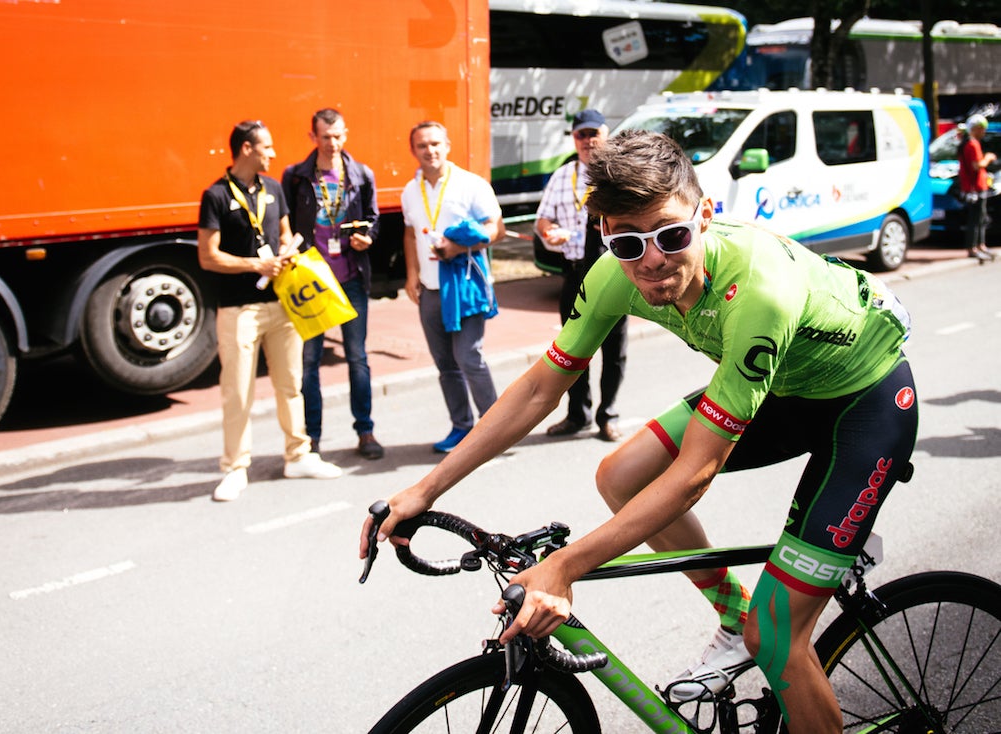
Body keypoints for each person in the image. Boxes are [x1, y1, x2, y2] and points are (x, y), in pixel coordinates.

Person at [363, 130, 918, 730]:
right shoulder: (613, 276)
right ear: (606, 237)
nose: (651, 260)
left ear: (704, 217)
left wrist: (565, 567)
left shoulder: (760, 289)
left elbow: (691, 477)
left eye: (671, 235)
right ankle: (732, 613)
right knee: (620, 474)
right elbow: (538, 389)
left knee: (777, 638)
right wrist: (425, 489)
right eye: (627, 242)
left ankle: (757, 631)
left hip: (865, 404)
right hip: (781, 390)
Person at [197, 120, 342, 503]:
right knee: (238, 389)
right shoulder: (214, 196)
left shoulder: (274, 188)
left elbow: (281, 235)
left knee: (290, 383)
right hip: (238, 308)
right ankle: (234, 467)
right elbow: (207, 257)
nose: (272, 154)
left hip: (281, 304)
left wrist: (285, 252)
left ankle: (298, 455)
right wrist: (255, 265)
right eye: (266, 147)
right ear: (247, 148)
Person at [282, 109, 384, 460]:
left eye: (338, 136)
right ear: (313, 137)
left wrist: (367, 237)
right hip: (313, 282)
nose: (333, 143)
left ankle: (365, 431)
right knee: (309, 362)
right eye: (326, 137)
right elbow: (288, 224)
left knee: (357, 358)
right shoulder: (296, 176)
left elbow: (373, 219)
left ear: (346, 133)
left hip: (352, 277)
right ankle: (312, 437)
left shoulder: (361, 174)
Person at [400, 121, 506, 453]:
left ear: (447, 145)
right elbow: (409, 232)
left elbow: (496, 229)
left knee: (468, 357)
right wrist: (411, 273)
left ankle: (495, 430)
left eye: (435, 144)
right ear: (413, 150)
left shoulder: (470, 185)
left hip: (465, 284)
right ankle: (462, 427)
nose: (429, 151)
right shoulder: (409, 190)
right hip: (430, 289)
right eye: (422, 145)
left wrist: (458, 248)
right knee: (445, 363)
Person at [535, 109, 627, 442]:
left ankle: (609, 415)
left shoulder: (617, 176)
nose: (587, 141)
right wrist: (550, 231)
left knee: (613, 349)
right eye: (580, 135)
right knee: (573, 347)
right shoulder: (562, 177)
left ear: (606, 134)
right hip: (573, 273)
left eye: (593, 133)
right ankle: (578, 414)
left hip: (613, 274)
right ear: (574, 140)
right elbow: (542, 219)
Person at [958, 114, 997, 262]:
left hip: (977, 186)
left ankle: (981, 245)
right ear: (976, 128)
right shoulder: (972, 144)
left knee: (980, 218)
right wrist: (988, 157)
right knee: (975, 219)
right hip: (975, 188)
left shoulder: (968, 143)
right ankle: (973, 248)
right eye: (983, 129)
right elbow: (976, 165)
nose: (984, 132)